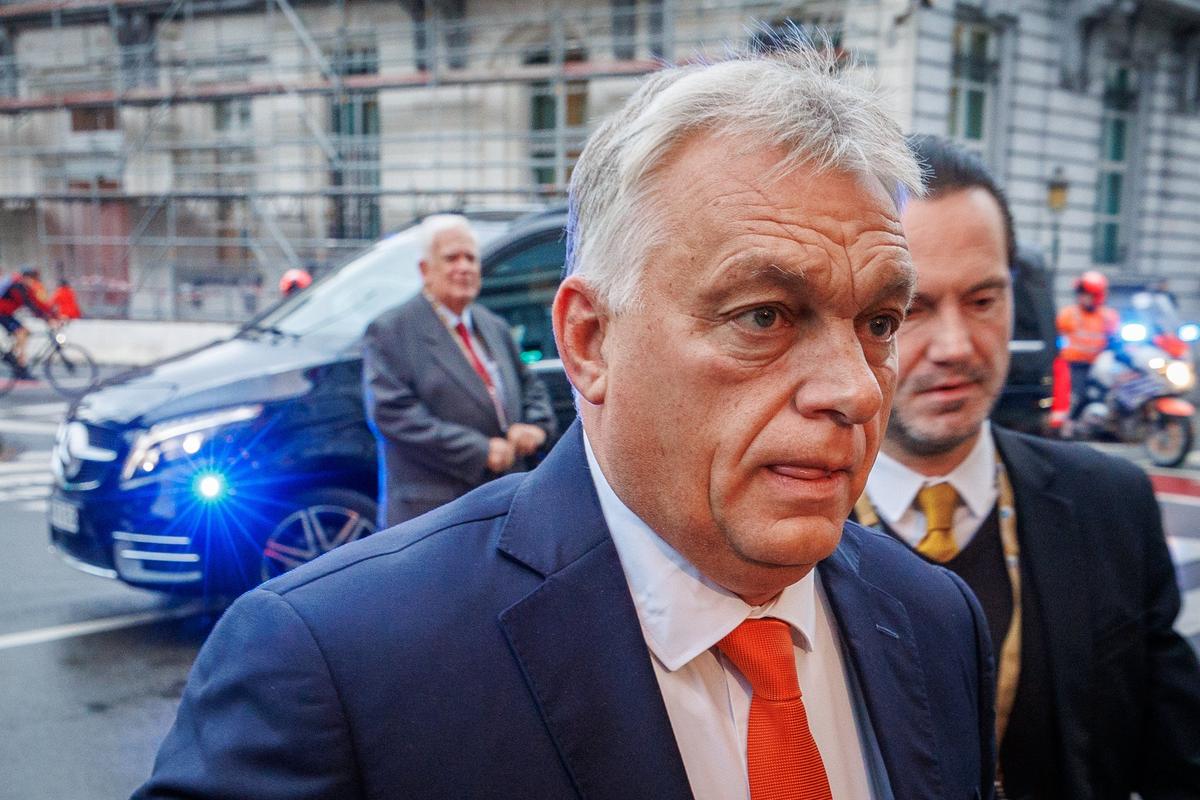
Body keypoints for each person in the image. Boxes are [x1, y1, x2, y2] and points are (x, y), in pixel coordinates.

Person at [136, 50, 995, 800]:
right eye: (765, 316)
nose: (852, 388)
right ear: (590, 341)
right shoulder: (334, 666)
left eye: (880, 322)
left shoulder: (936, 618)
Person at [855, 134, 1200, 799]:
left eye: (983, 301)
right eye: (914, 309)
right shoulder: (788, 523)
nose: (956, 346)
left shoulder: (1109, 503)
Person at [362, 214, 557, 526]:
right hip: (432, 511)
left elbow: (529, 386)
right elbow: (393, 415)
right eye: (452, 258)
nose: (464, 267)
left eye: (471, 258)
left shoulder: (493, 326)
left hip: (500, 503)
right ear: (425, 270)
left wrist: (536, 426)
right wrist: (479, 451)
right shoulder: (391, 331)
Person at [1056, 269, 1120, 421]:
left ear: (1098, 296)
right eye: (1081, 294)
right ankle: (1068, 424)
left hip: (1099, 366)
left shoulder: (1108, 316)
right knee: (1076, 396)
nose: (1082, 298)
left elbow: (1115, 340)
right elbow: (1057, 337)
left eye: (1087, 294)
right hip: (1073, 365)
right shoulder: (1068, 314)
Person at [0, 269, 58, 375]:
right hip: (1, 313)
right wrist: (47, 319)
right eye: (32, 279)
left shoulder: (26, 289)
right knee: (21, 332)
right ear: (26, 278)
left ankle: (14, 356)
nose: (33, 282)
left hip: (6, 313)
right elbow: (30, 305)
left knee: (26, 332)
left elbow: (38, 303)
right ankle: (19, 362)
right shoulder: (17, 287)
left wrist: (54, 315)